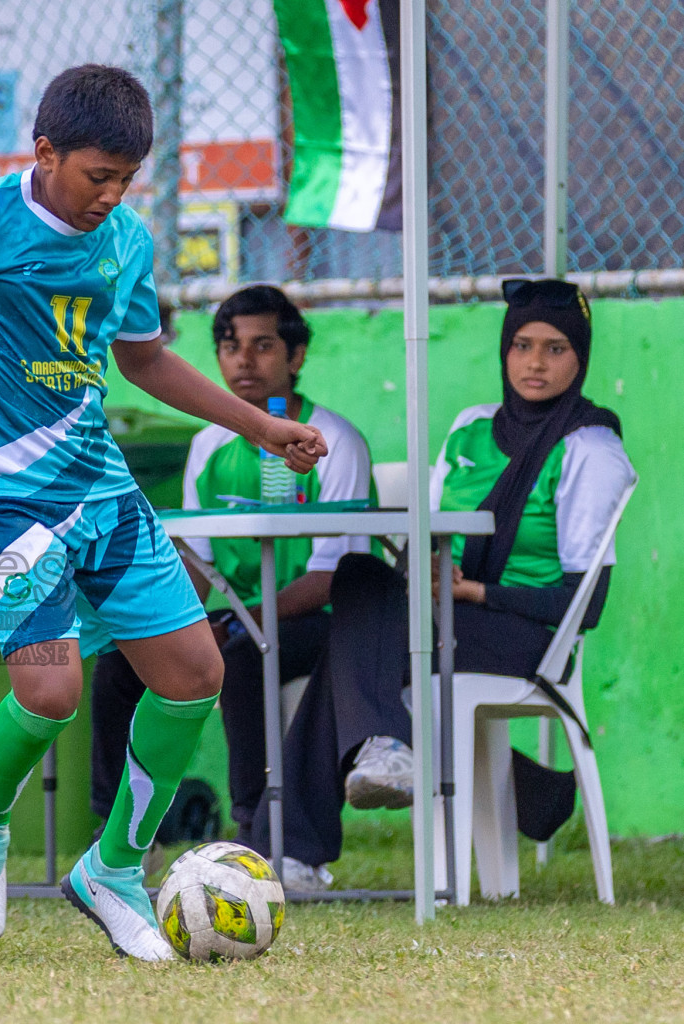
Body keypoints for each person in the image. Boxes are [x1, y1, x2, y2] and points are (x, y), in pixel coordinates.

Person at [0, 65, 326, 961]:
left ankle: (112, 870)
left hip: (101, 488)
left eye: (125, 180)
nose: (108, 197)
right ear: (43, 152)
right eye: (95, 178)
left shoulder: (125, 241)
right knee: (51, 690)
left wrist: (262, 425)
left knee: (193, 672)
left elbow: (146, 360)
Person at [252, 278, 636, 881]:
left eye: (556, 348)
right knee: (358, 578)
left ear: (580, 357)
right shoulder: (470, 429)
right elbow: (421, 537)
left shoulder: (590, 447)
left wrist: (472, 592)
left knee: (351, 632)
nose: (535, 362)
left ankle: (297, 848)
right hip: (445, 617)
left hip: (526, 637)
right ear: (504, 349)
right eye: (522, 345)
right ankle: (461, 770)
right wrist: (426, 575)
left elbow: (583, 607)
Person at [89, 284, 374, 891]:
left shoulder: (334, 441)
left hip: (315, 622)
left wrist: (239, 619)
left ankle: (257, 840)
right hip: (238, 616)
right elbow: (196, 565)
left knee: (241, 658)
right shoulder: (209, 445)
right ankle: (124, 843)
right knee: (119, 662)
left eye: (262, 345)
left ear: (296, 356)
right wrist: (150, 620)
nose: (243, 360)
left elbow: (329, 579)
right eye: (228, 346)